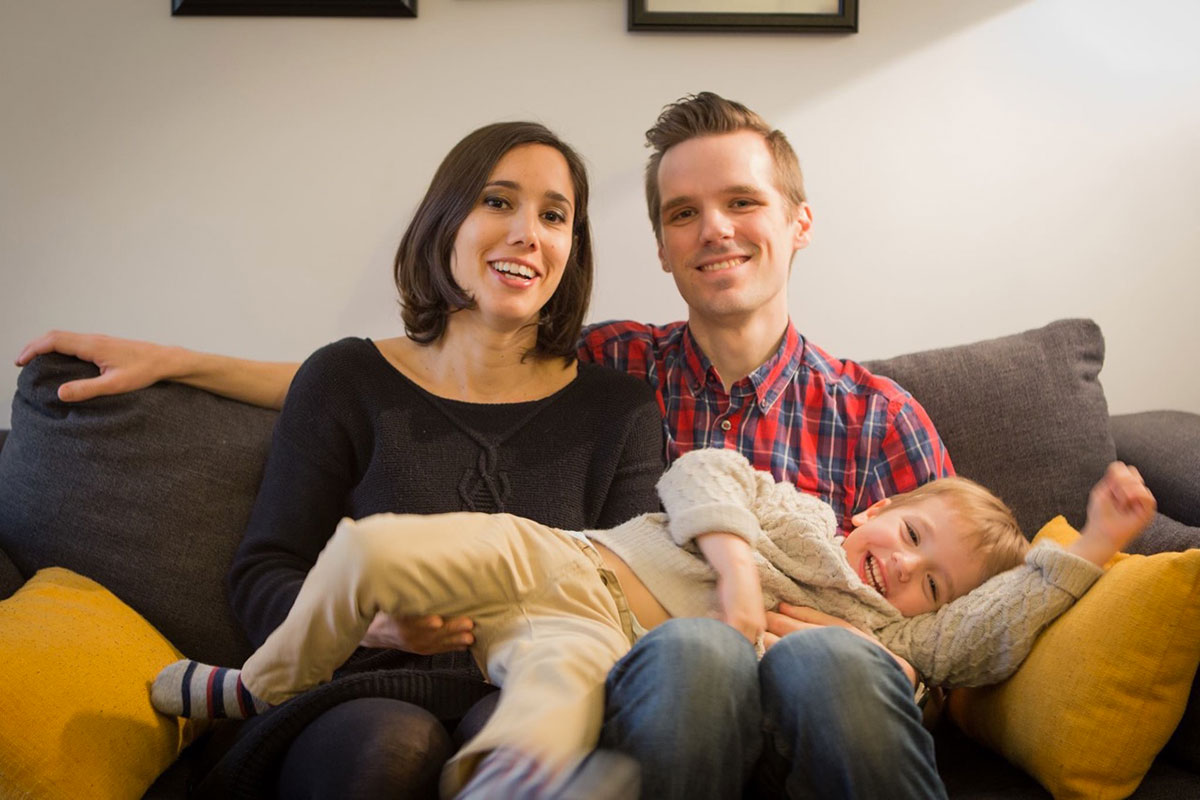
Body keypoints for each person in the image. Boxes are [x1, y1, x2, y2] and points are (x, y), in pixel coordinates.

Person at [18, 92, 960, 798]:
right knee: (680, 662)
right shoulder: (615, 369)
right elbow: (421, 373)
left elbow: (963, 628)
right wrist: (182, 363)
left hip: (774, 697)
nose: (714, 230)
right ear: (662, 247)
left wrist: (881, 650)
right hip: (610, 684)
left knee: (815, 663)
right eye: (682, 214)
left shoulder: (872, 417)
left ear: (797, 223)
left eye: (743, 203)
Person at [43, 120, 667, 798]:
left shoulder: (620, 411)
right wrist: (364, 624)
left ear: (570, 250)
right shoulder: (345, 380)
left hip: (531, 683)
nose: (527, 232)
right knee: (391, 744)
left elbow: (638, 597)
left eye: (555, 215)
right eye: (497, 201)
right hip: (358, 689)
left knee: (520, 750)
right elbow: (263, 572)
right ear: (445, 221)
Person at [146, 448, 1155, 799]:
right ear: (874, 508)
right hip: (563, 556)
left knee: (547, 701)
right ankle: (259, 680)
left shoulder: (889, 639)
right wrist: (732, 565)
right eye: (911, 532)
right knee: (368, 548)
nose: (902, 566)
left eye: (929, 583)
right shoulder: (798, 513)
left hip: (592, 637)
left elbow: (982, 635)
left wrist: (1097, 545)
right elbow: (700, 469)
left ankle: (504, 777)